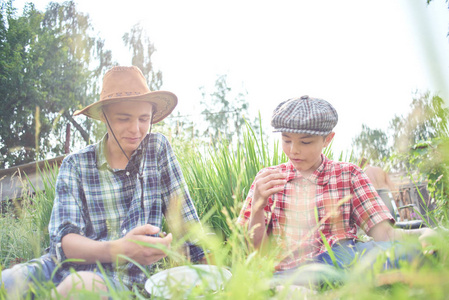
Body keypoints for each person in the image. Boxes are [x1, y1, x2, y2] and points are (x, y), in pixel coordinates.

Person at [1, 66, 205, 298]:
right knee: (8, 281)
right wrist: (119, 249)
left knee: (80, 287)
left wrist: (214, 267)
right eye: (123, 119)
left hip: (120, 280)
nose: (136, 129)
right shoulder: (75, 164)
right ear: (104, 117)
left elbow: (189, 227)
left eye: (144, 119)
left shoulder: (157, 149)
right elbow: (63, 243)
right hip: (57, 268)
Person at [237, 95, 435, 286]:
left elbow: (384, 235)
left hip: (345, 259)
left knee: (409, 254)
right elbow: (255, 253)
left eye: (305, 142)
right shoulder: (268, 180)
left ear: (327, 139)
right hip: (291, 270)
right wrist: (257, 207)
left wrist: (423, 233)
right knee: (274, 281)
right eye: (286, 140)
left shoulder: (349, 174)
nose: (293, 150)